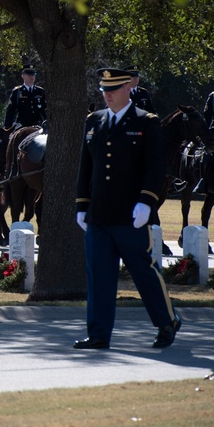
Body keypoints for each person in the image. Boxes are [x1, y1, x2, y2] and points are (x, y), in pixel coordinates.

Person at [75, 67, 180, 350]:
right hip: (98, 215)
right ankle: (98, 334)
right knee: (99, 275)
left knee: (143, 272)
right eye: (104, 91)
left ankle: (167, 321)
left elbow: (156, 167)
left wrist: (146, 202)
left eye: (112, 91)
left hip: (130, 215)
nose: (107, 96)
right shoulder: (94, 121)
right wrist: (81, 205)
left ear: (127, 90)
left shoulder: (146, 122)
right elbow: (86, 167)